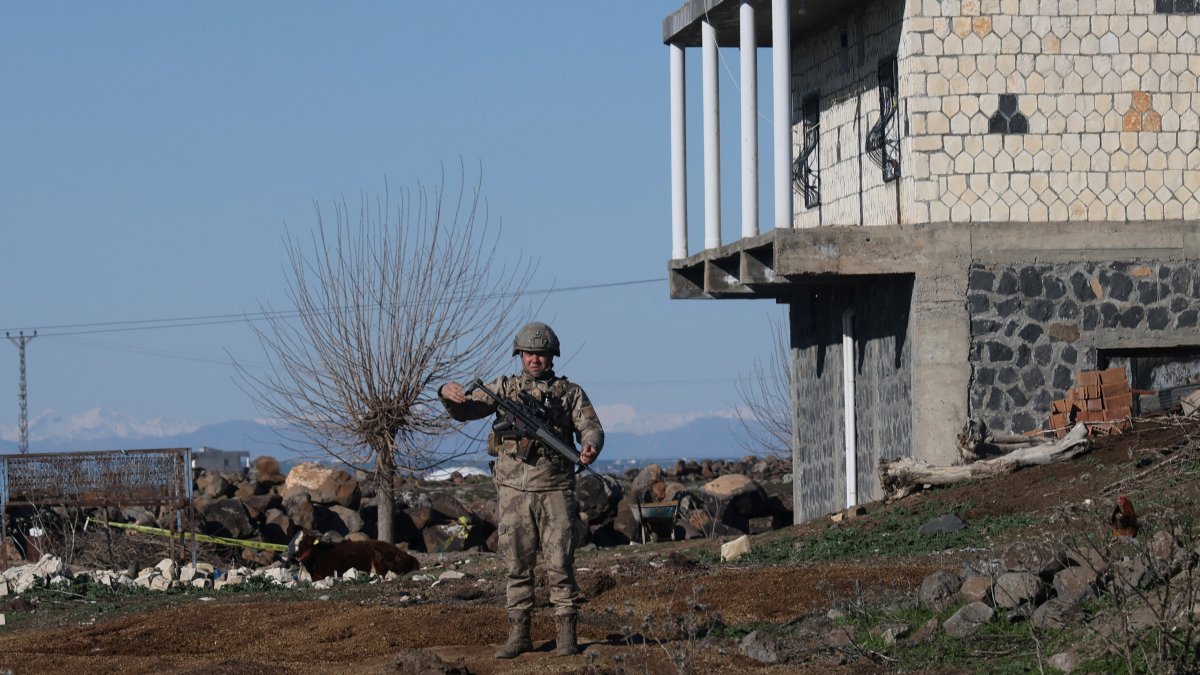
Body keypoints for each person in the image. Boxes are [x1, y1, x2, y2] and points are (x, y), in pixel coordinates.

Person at [438, 321, 604, 658]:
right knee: (516, 564)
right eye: (530, 353)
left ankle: (566, 634)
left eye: (541, 354)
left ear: (551, 356)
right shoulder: (504, 388)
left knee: (560, 562)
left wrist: (590, 447)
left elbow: (591, 427)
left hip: (555, 487)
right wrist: (448, 394)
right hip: (513, 490)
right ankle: (519, 635)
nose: (535, 360)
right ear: (520, 354)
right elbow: (467, 409)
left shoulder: (569, 393)